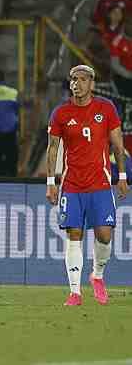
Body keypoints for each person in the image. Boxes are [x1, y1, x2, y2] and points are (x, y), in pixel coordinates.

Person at [46, 64, 129, 306]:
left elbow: (117, 144)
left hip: (100, 184)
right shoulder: (60, 113)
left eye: (82, 79)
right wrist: (51, 182)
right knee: (74, 234)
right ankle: (75, 292)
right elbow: (53, 149)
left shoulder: (106, 108)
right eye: (73, 79)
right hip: (72, 185)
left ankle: (97, 276)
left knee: (104, 235)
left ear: (91, 83)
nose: (76, 83)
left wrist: (122, 177)